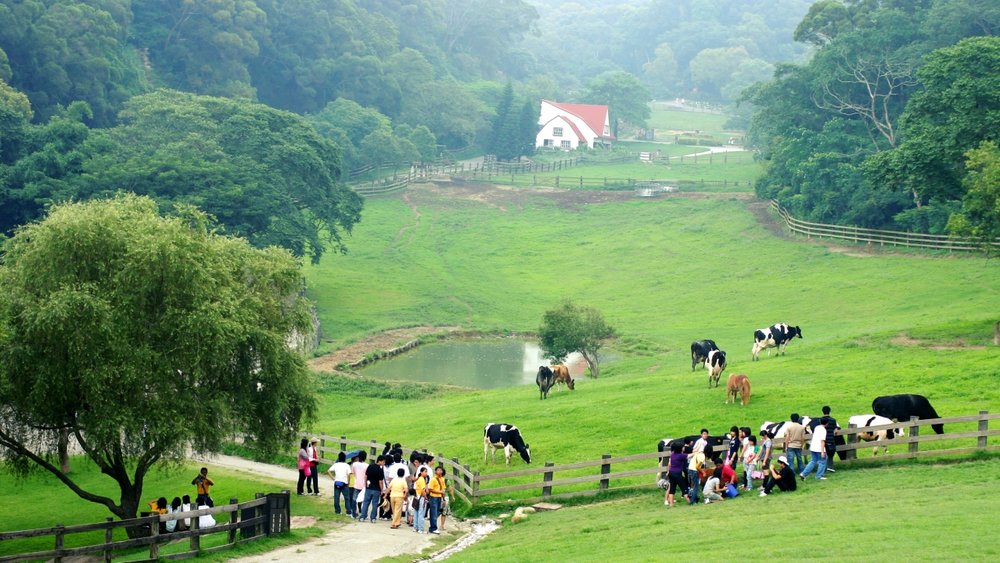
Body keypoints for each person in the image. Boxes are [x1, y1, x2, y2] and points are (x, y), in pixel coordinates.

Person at [801, 416, 829, 481]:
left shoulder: (817, 427)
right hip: (819, 448)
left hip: (813, 447)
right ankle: (819, 476)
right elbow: (822, 441)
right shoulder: (824, 430)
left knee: (813, 461)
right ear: (827, 423)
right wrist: (822, 452)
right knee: (822, 462)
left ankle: (803, 473)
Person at [361, 455, 387, 523]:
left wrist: (366, 485)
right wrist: (381, 490)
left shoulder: (370, 466)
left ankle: (363, 516)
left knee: (366, 502)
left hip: (369, 488)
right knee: (375, 504)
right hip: (376, 489)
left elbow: (366, 476)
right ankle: (373, 518)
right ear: (380, 461)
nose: (384, 463)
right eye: (383, 462)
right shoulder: (380, 470)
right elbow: (380, 482)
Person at [664, 442, 690, 507]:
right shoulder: (681, 456)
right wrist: (697, 452)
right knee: (684, 487)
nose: (684, 448)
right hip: (677, 474)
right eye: (683, 447)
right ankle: (690, 502)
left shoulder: (672, 454)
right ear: (680, 448)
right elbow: (690, 455)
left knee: (672, 489)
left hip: (671, 473)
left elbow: (669, 463)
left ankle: (671, 504)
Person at [328, 451, 352, 516]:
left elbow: (329, 471)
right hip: (344, 483)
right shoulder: (347, 465)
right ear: (345, 458)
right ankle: (348, 511)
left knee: (336, 497)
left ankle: (337, 511)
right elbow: (349, 475)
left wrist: (333, 478)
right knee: (347, 498)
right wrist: (348, 482)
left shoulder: (336, 464)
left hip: (337, 482)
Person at [427, 466, 447, 534]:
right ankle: (433, 528)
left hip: (439, 497)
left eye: (440, 470)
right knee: (434, 513)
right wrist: (439, 492)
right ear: (435, 471)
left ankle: (433, 526)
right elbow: (430, 489)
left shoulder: (442, 479)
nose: (439, 471)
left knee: (437, 512)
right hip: (433, 497)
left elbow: (443, 489)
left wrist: (444, 499)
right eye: (438, 470)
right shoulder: (433, 479)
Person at [412, 465, 429, 534]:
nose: (426, 473)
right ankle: (420, 529)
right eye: (425, 471)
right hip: (421, 498)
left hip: (417, 497)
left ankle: (415, 527)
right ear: (421, 472)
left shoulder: (418, 479)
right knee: (421, 513)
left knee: (416, 513)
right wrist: (425, 497)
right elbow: (423, 491)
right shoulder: (422, 480)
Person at [351, 451, 368, 518]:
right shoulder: (367, 465)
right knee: (364, 500)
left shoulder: (354, 464)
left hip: (356, 483)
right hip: (364, 485)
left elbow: (353, 472)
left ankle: (354, 513)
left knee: (354, 499)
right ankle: (363, 514)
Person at [822, 407, 838, 473]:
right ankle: (830, 467)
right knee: (831, 454)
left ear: (822, 411)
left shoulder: (821, 420)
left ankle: (824, 468)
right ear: (829, 411)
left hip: (823, 440)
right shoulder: (833, 420)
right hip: (831, 439)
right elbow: (836, 431)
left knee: (823, 455)